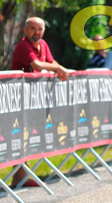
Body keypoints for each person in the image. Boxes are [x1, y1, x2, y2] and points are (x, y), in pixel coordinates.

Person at [10, 17, 70, 186]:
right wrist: (58, 69)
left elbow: (50, 62)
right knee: (21, 135)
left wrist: (62, 69)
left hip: (35, 99)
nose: (36, 32)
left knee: (28, 136)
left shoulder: (43, 44)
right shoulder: (23, 46)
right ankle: (19, 176)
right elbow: (36, 65)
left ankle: (20, 177)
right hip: (20, 98)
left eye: (40, 28)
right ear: (25, 30)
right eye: (33, 28)